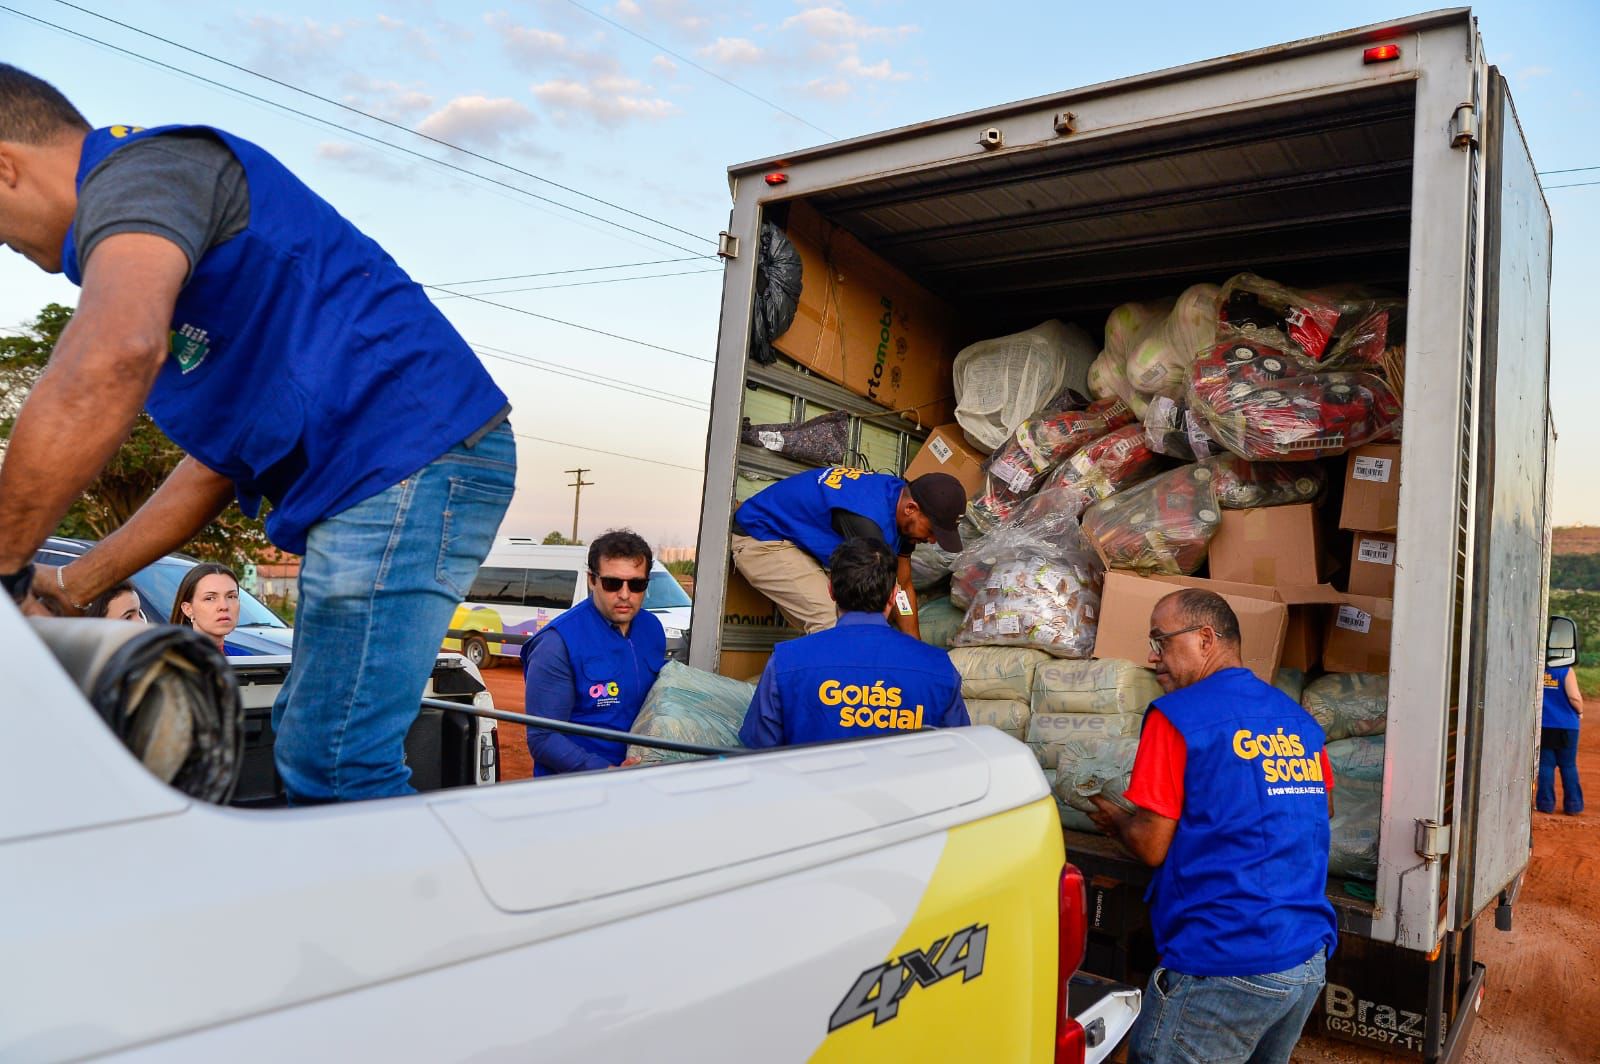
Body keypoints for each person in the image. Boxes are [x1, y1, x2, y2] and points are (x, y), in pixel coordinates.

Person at [0, 67, 515, 803]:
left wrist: (6, 559)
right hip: (388, 473)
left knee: (334, 758)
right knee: (319, 747)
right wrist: (69, 582)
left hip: (409, 459)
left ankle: (433, 914)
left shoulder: (146, 173)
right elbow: (210, 468)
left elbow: (111, 355)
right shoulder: (182, 267)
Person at [1088, 589, 1337, 1064]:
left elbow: (1152, 846)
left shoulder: (1177, 716)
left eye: (1160, 640)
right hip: (1304, 958)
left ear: (1205, 638)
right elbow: (1318, 809)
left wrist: (1117, 819)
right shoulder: (1296, 721)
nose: (1151, 655)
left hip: (1225, 959)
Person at [740, 537, 968, 749]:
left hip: (812, 792)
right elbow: (960, 756)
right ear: (893, 596)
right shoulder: (939, 667)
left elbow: (757, 750)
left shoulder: (786, 661)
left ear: (831, 591)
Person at [730, 467, 967, 638]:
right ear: (911, 508)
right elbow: (870, 604)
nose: (933, 539)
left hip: (797, 542)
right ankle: (832, 701)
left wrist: (914, 646)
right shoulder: (867, 521)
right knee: (836, 623)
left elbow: (902, 585)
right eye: (933, 529)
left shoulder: (901, 509)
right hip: (761, 538)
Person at [521, 530, 665, 776]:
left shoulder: (652, 629)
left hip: (639, 780)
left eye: (637, 584)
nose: (624, 594)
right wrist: (606, 772)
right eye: (612, 583)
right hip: (575, 789)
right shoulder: (556, 643)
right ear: (592, 580)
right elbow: (543, 737)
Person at [1537, 655, 1584, 815]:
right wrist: (1580, 710)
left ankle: (1545, 804)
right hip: (1566, 726)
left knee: (1545, 765)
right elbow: (1574, 697)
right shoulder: (1566, 670)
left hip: (1544, 724)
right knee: (1568, 765)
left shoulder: (1538, 669)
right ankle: (1573, 805)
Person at [168, 562, 240, 653]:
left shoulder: (247, 658)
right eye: (209, 598)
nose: (224, 606)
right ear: (188, 609)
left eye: (231, 596)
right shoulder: (168, 661)